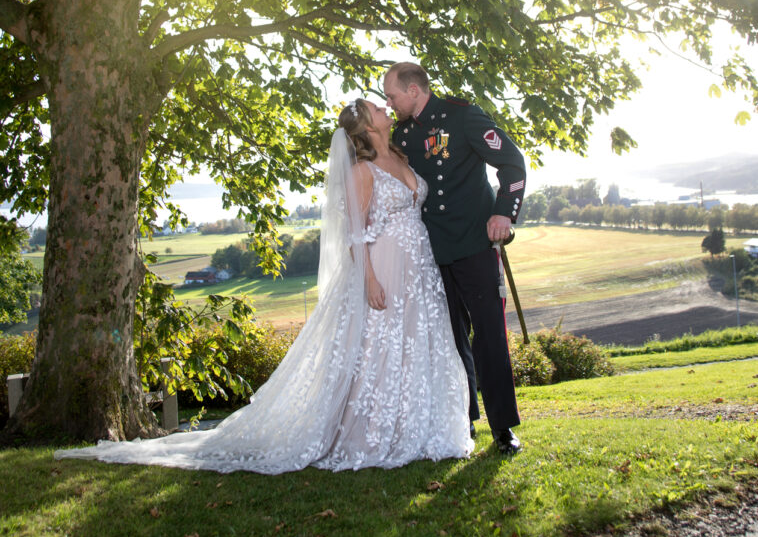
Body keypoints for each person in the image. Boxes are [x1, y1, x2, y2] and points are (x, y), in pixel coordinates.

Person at [55, 99, 472, 473]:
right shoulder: (362, 172)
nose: (385, 108)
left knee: (414, 344)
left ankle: (414, 425)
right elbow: (354, 235)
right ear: (367, 128)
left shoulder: (399, 153)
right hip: (384, 269)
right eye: (377, 109)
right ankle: (372, 435)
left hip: (419, 271)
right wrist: (369, 280)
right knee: (380, 348)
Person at [383, 62, 526, 455]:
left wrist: (504, 213)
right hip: (431, 252)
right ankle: (464, 418)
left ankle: (503, 428)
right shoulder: (402, 133)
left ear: (414, 90)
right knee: (449, 339)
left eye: (392, 95)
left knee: (491, 337)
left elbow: (512, 163)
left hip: (475, 246)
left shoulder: (463, 116)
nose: (389, 102)